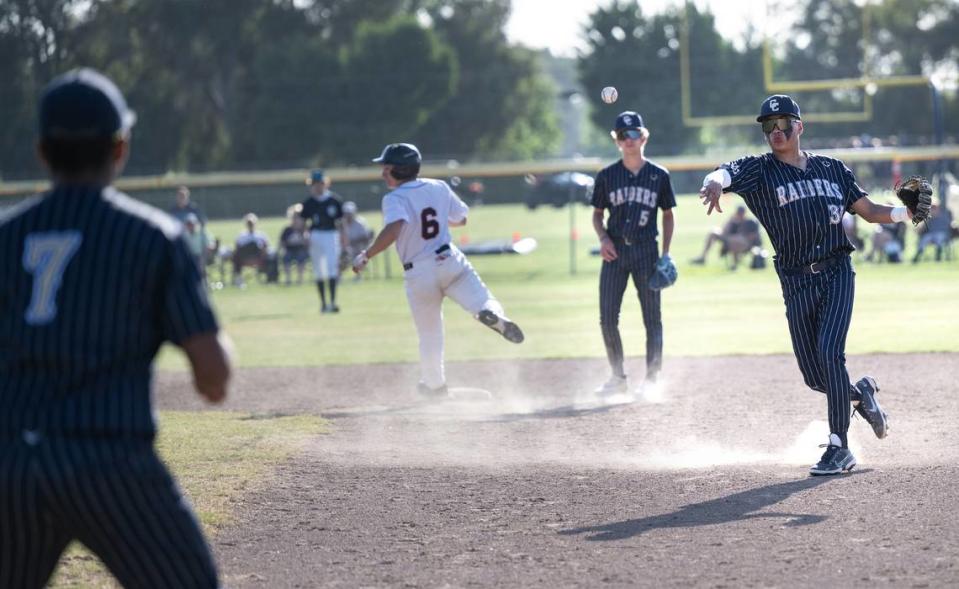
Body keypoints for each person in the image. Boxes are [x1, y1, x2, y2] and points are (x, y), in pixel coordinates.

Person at [0, 68, 230, 588]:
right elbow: (213, 379)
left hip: (10, 461)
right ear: (120, 148)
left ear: (41, 151)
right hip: (109, 461)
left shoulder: (6, 237)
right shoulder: (151, 236)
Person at [699, 94, 903, 476]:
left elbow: (872, 212)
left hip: (837, 271)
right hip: (794, 280)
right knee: (815, 376)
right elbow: (723, 172)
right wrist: (713, 182)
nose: (776, 131)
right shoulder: (760, 171)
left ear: (799, 126)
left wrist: (907, 212)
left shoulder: (832, 168)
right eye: (768, 125)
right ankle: (861, 395)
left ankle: (839, 447)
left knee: (830, 353)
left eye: (783, 123)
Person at [352, 143, 524, 397]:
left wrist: (367, 254)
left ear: (400, 169)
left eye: (386, 168)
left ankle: (434, 386)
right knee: (482, 300)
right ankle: (492, 314)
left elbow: (395, 228)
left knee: (430, 333)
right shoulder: (438, 186)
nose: (382, 174)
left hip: (419, 272)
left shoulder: (394, 198)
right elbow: (461, 218)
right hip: (449, 259)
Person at [591, 111, 676, 396]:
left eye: (634, 134)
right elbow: (597, 215)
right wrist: (603, 238)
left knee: (652, 318)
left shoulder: (659, 175)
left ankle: (652, 378)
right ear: (616, 140)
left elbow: (667, 215)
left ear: (643, 137)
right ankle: (617, 377)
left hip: (646, 252)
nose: (629, 140)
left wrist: (665, 254)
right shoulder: (607, 176)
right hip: (615, 252)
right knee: (606, 317)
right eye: (622, 135)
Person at [299, 170, 347, 312]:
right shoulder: (309, 202)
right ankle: (323, 303)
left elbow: (341, 222)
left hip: (331, 234)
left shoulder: (334, 200)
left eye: (319, 183)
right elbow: (303, 223)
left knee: (332, 268)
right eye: (314, 184)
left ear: (325, 184)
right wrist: (304, 236)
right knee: (319, 270)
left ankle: (332, 302)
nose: (317, 187)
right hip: (315, 234)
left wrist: (344, 238)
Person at [690, 205, 761, 269]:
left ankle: (734, 265)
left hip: (745, 244)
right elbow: (724, 231)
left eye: (741, 213)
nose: (740, 215)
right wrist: (730, 221)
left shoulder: (750, 223)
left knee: (736, 241)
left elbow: (753, 238)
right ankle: (703, 257)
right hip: (730, 241)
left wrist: (738, 237)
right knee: (713, 232)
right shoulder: (733, 221)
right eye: (738, 213)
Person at [341, 201, 374, 278]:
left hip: (360, 248)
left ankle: (358, 276)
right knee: (341, 256)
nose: (348, 215)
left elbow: (366, 238)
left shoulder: (360, 222)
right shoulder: (341, 223)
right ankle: (338, 276)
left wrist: (354, 242)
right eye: (346, 213)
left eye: (350, 213)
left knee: (357, 256)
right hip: (346, 249)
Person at [279, 204, 310, 285]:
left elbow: (308, 243)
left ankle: (300, 279)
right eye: (295, 217)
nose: (296, 220)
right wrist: (288, 243)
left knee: (301, 257)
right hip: (290, 250)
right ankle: (288, 279)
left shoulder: (305, 229)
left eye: (299, 217)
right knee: (286, 257)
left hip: (301, 250)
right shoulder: (287, 230)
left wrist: (303, 237)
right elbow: (282, 242)